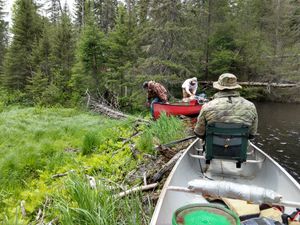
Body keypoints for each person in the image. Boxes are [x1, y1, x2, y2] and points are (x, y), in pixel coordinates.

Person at [194, 73, 258, 139]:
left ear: (218, 88)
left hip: (213, 148)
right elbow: (252, 134)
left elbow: (199, 133)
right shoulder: (251, 106)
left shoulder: (207, 106)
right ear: (235, 87)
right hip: (240, 148)